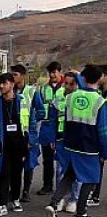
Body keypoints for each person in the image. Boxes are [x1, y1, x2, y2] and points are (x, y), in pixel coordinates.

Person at [45, 64, 107, 217]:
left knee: (69, 175)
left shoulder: (70, 97)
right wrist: (104, 151)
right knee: (91, 179)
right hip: (89, 147)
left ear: (83, 78)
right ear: (100, 79)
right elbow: (102, 131)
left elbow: (65, 121)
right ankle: (81, 215)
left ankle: (54, 203)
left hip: (71, 144)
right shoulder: (100, 101)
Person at [0, 73, 35, 217]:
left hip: (20, 144)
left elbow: (31, 122)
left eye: (5, 83)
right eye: (0, 83)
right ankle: (2, 204)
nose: (1, 86)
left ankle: (15, 200)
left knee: (17, 173)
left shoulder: (23, 101)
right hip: (3, 143)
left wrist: (31, 141)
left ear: (12, 85)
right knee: (4, 173)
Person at [10, 64, 45, 202]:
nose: (12, 77)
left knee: (29, 163)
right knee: (13, 164)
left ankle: (26, 191)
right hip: (13, 133)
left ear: (22, 76)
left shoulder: (32, 92)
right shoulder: (9, 90)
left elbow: (41, 111)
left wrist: (32, 120)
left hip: (29, 133)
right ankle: (13, 190)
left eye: (15, 75)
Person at [49, 72, 80, 213]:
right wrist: (52, 138)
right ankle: (59, 199)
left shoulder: (82, 97)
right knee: (60, 170)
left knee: (76, 171)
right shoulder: (59, 96)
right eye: (65, 83)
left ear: (77, 84)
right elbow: (53, 119)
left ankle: (73, 199)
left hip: (77, 140)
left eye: (71, 84)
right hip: (61, 139)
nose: (67, 86)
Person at [36, 61, 65, 195]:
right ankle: (47, 185)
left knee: (61, 159)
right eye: (50, 72)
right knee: (47, 159)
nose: (52, 75)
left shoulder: (66, 87)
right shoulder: (43, 88)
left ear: (60, 72)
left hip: (60, 127)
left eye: (54, 72)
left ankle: (62, 187)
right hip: (46, 127)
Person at [87, 65, 107, 207]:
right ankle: (95, 195)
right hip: (100, 132)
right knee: (98, 164)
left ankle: (94, 196)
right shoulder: (101, 93)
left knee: (99, 162)